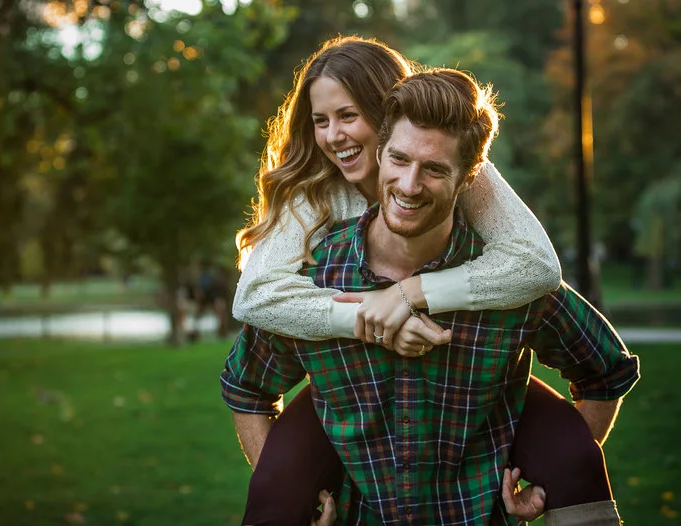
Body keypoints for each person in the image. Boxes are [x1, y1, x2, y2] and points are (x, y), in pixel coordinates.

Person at [222, 69, 639, 525]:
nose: (408, 185)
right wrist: (294, 499)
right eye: (399, 160)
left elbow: (604, 371)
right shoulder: (314, 274)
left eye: (435, 169)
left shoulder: (511, 280)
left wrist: (547, 480)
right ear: (381, 152)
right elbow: (247, 386)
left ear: (469, 179)